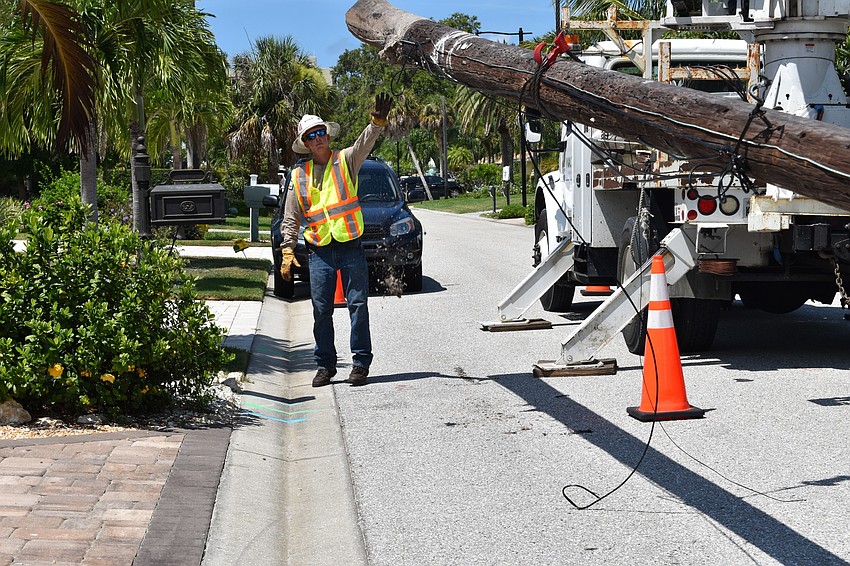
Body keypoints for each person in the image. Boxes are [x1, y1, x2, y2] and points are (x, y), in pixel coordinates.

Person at [279, 94, 393, 387]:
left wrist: (376, 123)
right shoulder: (299, 175)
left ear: (327, 136)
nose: (317, 139)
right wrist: (287, 250)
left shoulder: (346, 160)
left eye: (320, 133)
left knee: (358, 305)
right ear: (305, 143)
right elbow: (291, 216)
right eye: (311, 136)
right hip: (319, 251)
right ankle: (326, 366)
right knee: (321, 310)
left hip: (350, 245)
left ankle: (360, 364)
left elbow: (364, 143)